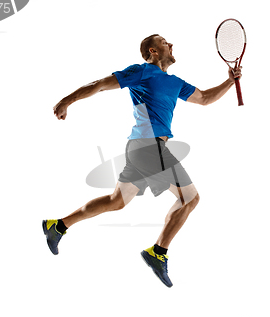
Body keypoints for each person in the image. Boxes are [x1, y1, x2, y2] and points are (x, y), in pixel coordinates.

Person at [43, 34, 242, 287]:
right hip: (149, 147)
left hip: (143, 148)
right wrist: (66, 101)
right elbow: (100, 84)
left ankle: (57, 225)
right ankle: (158, 253)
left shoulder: (175, 83)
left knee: (116, 201)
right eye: (164, 42)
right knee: (190, 199)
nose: (171, 44)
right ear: (153, 51)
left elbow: (204, 98)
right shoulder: (141, 72)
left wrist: (228, 81)